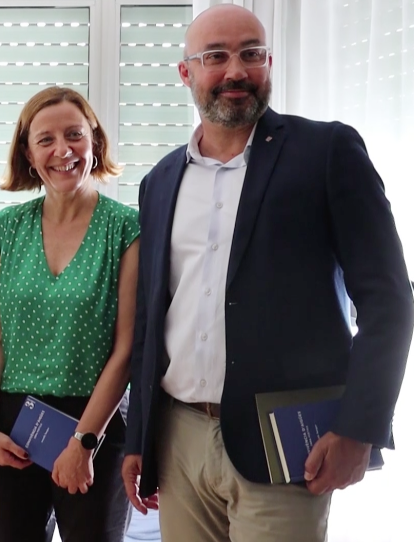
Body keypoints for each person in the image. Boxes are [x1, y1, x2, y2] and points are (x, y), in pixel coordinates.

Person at [121, 5, 414, 542]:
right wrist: (138, 436)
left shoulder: (327, 152)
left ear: (269, 63)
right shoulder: (158, 181)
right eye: (216, 56)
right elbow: (150, 318)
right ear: (186, 72)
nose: (236, 70)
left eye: (251, 54)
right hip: (178, 438)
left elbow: (390, 302)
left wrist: (359, 428)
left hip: (286, 444)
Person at [0, 86, 140, 542]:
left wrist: (84, 443)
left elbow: (127, 348)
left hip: (95, 423)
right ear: (28, 155)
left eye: (74, 135)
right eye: (45, 140)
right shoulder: (7, 228)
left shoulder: (125, 227)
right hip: (14, 426)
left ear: (95, 142)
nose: (62, 150)